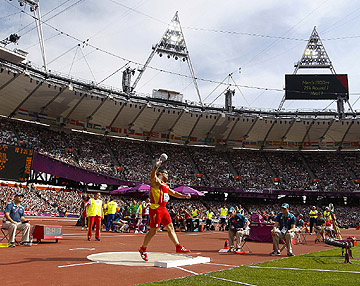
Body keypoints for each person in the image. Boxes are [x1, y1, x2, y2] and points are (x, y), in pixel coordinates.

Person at [138, 155, 191, 261]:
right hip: (156, 208)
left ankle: (178, 246)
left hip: (163, 208)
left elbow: (174, 193)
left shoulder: (165, 185)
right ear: (161, 173)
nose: (168, 175)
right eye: (166, 173)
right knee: (154, 230)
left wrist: (184, 196)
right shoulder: (156, 182)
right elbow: (152, 176)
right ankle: (143, 248)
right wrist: (155, 167)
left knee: (170, 227)